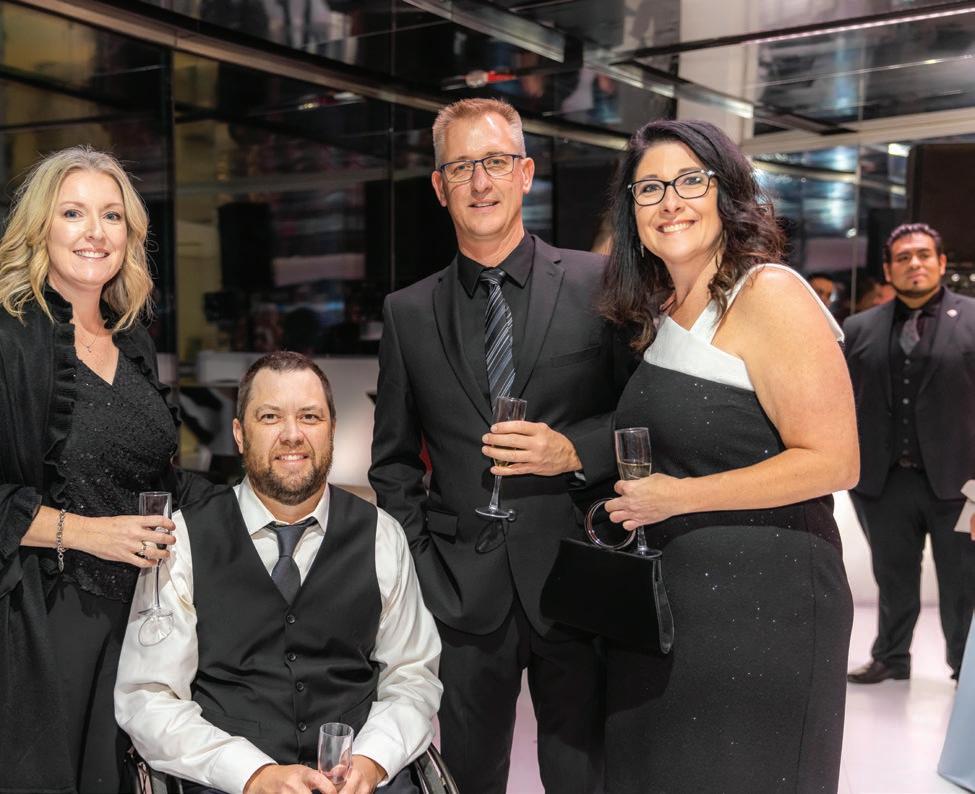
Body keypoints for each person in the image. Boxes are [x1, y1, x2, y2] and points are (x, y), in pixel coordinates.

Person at [369, 97, 631, 794]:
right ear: (439, 186)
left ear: (525, 173)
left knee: (582, 773)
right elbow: (392, 462)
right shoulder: (408, 312)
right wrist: (424, 567)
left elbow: (642, 417)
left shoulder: (598, 282)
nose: (479, 182)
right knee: (468, 775)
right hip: (461, 592)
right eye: (461, 167)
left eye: (494, 162)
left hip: (577, 573)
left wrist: (572, 451)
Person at [599, 119, 857, 791]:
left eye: (690, 181)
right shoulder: (666, 313)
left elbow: (834, 460)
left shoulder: (769, 293)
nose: (669, 202)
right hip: (679, 613)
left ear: (727, 192)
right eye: (650, 188)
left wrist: (677, 496)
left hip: (766, 612)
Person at [116, 351, 442, 794]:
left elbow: (412, 675)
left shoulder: (382, 535)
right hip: (227, 783)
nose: (292, 435)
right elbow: (149, 697)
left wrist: (371, 762)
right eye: (270, 417)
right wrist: (253, 774)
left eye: (310, 416)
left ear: (331, 429)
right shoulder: (183, 539)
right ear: (240, 434)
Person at [0, 146, 211, 793]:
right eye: (73, 213)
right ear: (39, 227)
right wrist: (90, 533)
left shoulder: (132, 339)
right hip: (45, 624)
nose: (94, 232)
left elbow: (158, 476)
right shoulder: (9, 339)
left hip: (139, 623)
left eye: (111, 216)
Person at [845, 222, 975, 684]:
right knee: (892, 574)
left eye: (923, 255)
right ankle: (891, 656)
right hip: (883, 481)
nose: (914, 263)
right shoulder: (859, 327)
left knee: (962, 580)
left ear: (941, 263)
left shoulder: (973, 318)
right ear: (888, 269)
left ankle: (964, 667)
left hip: (960, 483)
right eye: (903, 257)